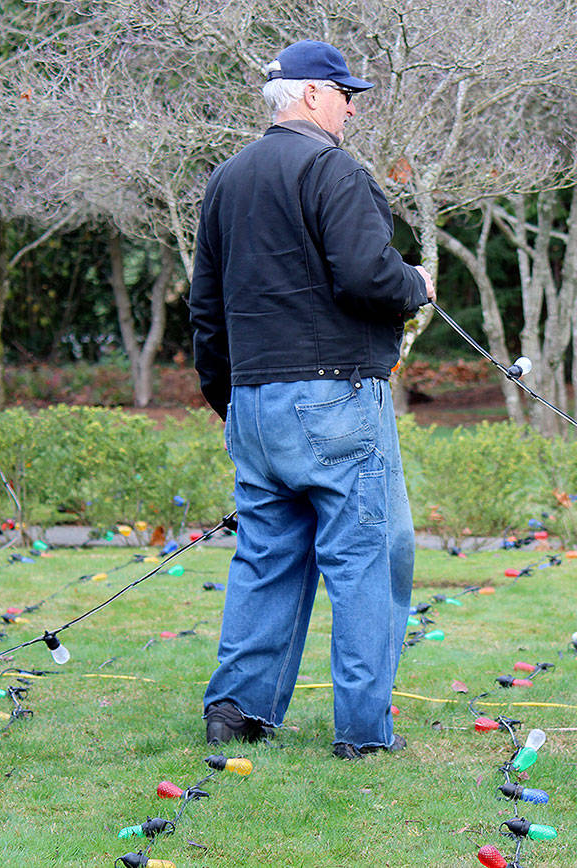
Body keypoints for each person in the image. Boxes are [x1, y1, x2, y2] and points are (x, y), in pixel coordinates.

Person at [189, 39, 434, 760]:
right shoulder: (332, 169)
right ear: (309, 95)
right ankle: (362, 733)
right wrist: (415, 285)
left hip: (254, 404)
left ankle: (237, 713)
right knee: (367, 559)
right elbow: (366, 274)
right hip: (334, 399)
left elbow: (205, 308)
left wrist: (227, 400)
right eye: (344, 93)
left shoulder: (226, 180)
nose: (352, 107)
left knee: (266, 557)